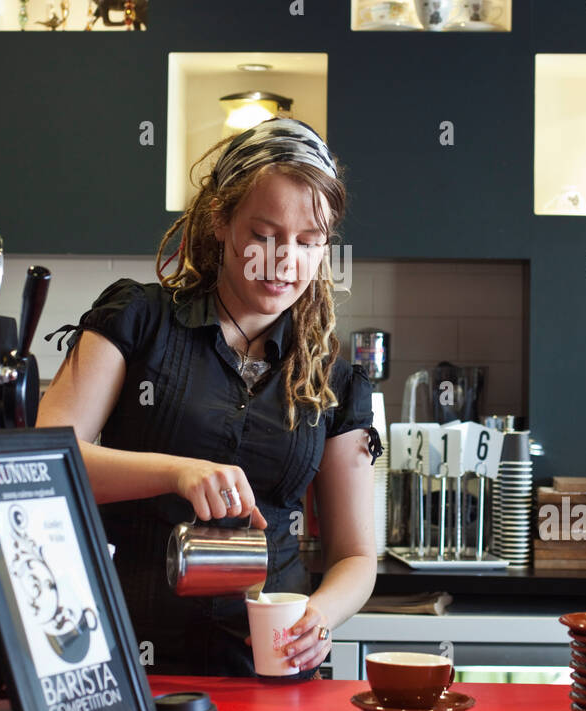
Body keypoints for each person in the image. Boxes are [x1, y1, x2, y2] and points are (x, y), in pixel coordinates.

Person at [37, 117, 382, 678]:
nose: (284, 261)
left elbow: (356, 557)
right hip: (126, 665)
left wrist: (316, 619)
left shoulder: (336, 383)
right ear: (221, 220)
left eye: (308, 242)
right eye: (264, 236)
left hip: (269, 672)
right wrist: (177, 473)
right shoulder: (139, 319)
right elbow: (47, 460)